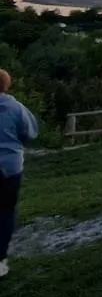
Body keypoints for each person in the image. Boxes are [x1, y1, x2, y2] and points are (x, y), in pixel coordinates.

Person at [0, 68, 38, 281]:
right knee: (5, 213)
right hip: (10, 167)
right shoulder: (16, 108)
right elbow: (30, 132)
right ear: (7, 85)